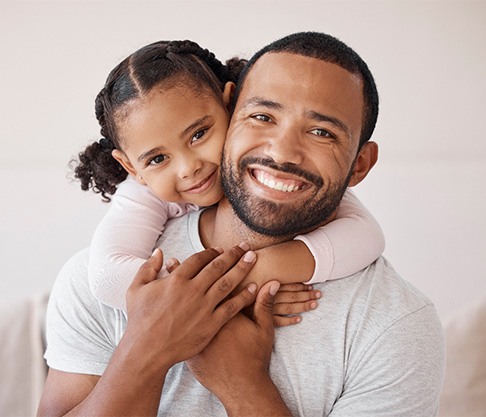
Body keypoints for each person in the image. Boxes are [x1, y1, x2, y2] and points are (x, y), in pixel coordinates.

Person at [38, 32, 445, 416]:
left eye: (321, 132)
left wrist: (243, 384)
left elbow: (367, 236)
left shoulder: (397, 326)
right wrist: (148, 348)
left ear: (360, 164)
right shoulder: (99, 279)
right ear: (233, 113)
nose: (283, 152)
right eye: (263, 116)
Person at [71, 40, 385, 316]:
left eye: (198, 135)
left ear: (230, 105)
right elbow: (107, 278)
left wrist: (263, 272)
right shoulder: (142, 194)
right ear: (132, 168)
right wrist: (231, 294)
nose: (187, 167)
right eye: (157, 159)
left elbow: (367, 236)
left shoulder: (279, 174)